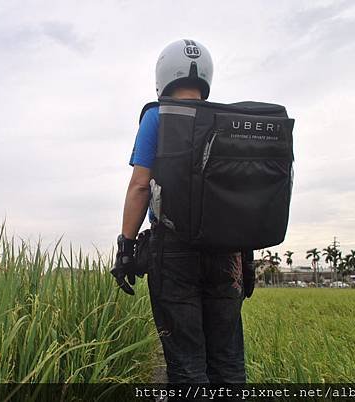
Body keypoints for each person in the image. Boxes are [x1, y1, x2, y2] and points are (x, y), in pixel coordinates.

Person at [111, 39, 256, 384]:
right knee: (228, 360)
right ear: (205, 76)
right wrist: (246, 260)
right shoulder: (227, 120)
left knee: (186, 364)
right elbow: (241, 195)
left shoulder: (157, 116)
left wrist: (126, 248)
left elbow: (140, 186)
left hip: (173, 251)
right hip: (227, 251)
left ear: (163, 76)